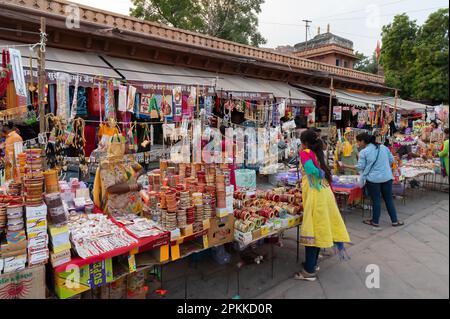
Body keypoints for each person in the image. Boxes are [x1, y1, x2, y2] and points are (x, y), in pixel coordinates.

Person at [295, 129, 350, 281]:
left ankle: (309, 272)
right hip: (324, 193)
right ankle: (312, 263)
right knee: (319, 229)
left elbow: (312, 170)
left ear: (304, 143)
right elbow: (315, 171)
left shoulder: (305, 152)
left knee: (313, 231)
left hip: (316, 196)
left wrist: (317, 173)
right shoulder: (317, 153)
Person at [350, 133, 404, 227]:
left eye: (358, 141)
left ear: (363, 141)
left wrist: (344, 165)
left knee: (376, 200)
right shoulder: (383, 147)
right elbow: (391, 160)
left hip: (373, 179)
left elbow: (360, 167)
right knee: (388, 199)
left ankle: (375, 221)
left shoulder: (364, 152)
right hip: (387, 177)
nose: (357, 143)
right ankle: (394, 221)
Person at [93, 134, 145, 216]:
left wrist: (135, 176)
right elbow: (110, 188)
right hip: (117, 209)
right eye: (126, 143)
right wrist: (133, 186)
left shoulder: (127, 159)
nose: (129, 146)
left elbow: (141, 169)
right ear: (119, 146)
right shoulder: (107, 164)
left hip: (133, 205)